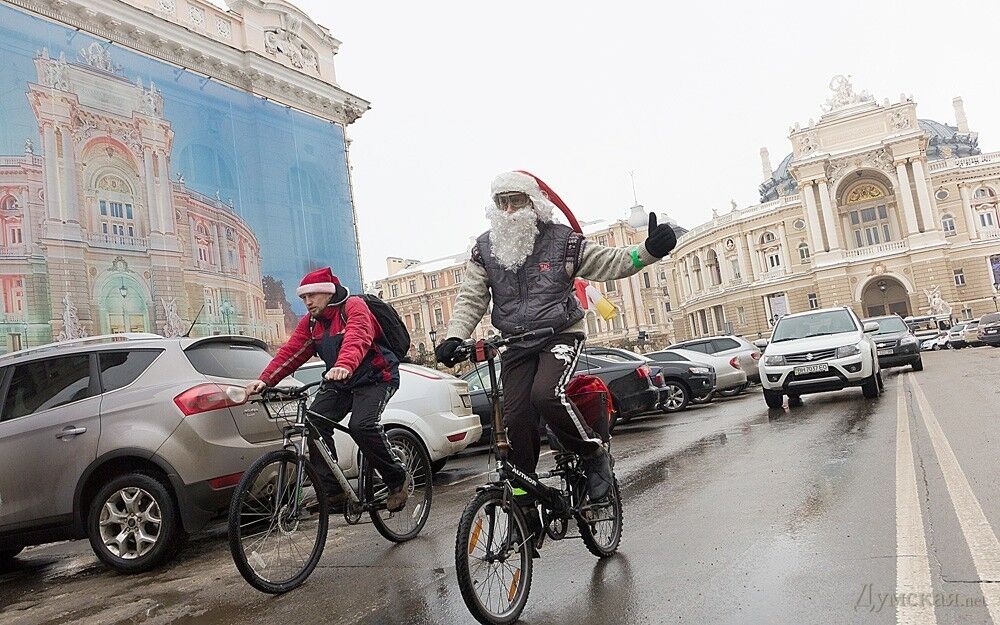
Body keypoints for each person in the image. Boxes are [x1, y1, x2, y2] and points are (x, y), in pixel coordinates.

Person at [435, 171, 677, 505]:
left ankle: (593, 455)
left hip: (559, 333)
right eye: (501, 203)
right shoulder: (486, 249)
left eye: (515, 201)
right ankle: (524, 494)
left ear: (533, 204)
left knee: (546, 395)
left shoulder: (563, 241)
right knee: (515, 414)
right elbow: (471, 297)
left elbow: (610, 262)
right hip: (515, 341)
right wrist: (453, 337)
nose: (508, 211)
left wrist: (648, 251)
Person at [246, 267, 411, 512]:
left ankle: (397, 479)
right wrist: (266, 380)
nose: (307, 302)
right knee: (313, 423)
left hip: (376, 376)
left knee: (361, 425)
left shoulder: (352, 307)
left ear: (328, 292)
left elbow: (358, 336)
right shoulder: (311, 323)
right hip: (341, 381)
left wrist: (344, 364)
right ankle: (333, 492)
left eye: (312, 295)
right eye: (303, 297)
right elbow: (291, 352)